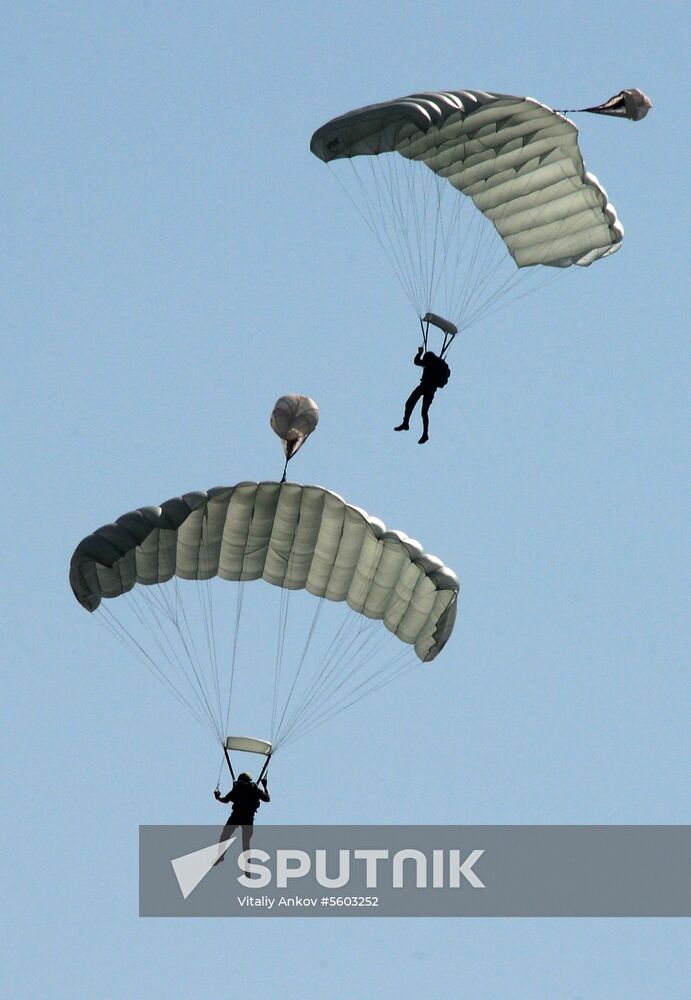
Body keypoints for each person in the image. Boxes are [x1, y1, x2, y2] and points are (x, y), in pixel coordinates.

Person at [395, 346, 448, 443]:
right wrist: (420, 354)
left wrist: (419, 353)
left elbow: (417, 362)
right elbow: (418, 362)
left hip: (427, 387)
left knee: (416, 407)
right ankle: (408, 425)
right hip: (428, 388)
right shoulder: (436, 362)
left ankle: (422, 433)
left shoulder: (431, 362)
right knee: (418, 408)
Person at [214, 772, 270, 863]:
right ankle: (224, 856)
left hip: (240, 817)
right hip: (243, 817)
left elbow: (225, 800)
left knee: (231, 837)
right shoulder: (251, 789)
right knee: (242, 842)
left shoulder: (241, 789)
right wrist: (265, 786)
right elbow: (267, 798)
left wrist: (218, 797)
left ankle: (244, 862)